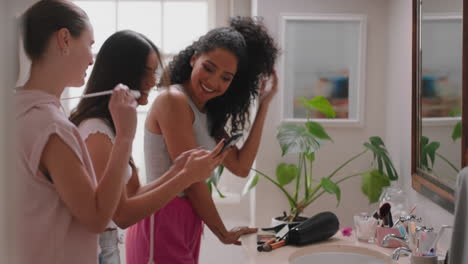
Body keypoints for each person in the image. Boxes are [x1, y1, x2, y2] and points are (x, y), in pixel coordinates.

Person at [125, 16, 279, 264]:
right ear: (194, 57)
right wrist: (223, 233)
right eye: (209, 68)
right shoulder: (173, 100)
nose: (213, 82)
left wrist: (264, 105)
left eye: (226, 78)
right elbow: (192, 181)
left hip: (188, 218)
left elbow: (240, 167)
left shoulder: (208, 114)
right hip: (162, 214)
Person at [69, 30, 227, 264]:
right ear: (123, 74)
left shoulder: (113, 127)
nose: (153, 82)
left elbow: (133, 194)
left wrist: (178, 170)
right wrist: (185, 178)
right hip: (97, 252)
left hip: (108, 250)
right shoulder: (96, 131)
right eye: (147, 72)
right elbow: (121, 214)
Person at [15, 1, 135, 263]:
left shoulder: (14, 111)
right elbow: (96, 217)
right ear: (65, 39)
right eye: (90, 44)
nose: (92, 59)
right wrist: (125, 136)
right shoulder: (51, 127)